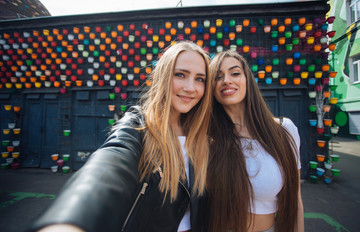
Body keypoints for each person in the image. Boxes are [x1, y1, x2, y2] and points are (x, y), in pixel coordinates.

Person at [29, 41, 212, 232]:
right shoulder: (139, 125)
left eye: (200, 79)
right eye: (180, 75)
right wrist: (71, 220)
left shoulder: (204, 135)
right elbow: (111, 162)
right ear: (164, 76)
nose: (191, 87)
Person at [207, 50, 304, 232]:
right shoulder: (208, 138)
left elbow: (295, 200)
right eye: (218, 77)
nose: (227, 80)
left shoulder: (284, 130)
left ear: (247, 80)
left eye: (235, 73)